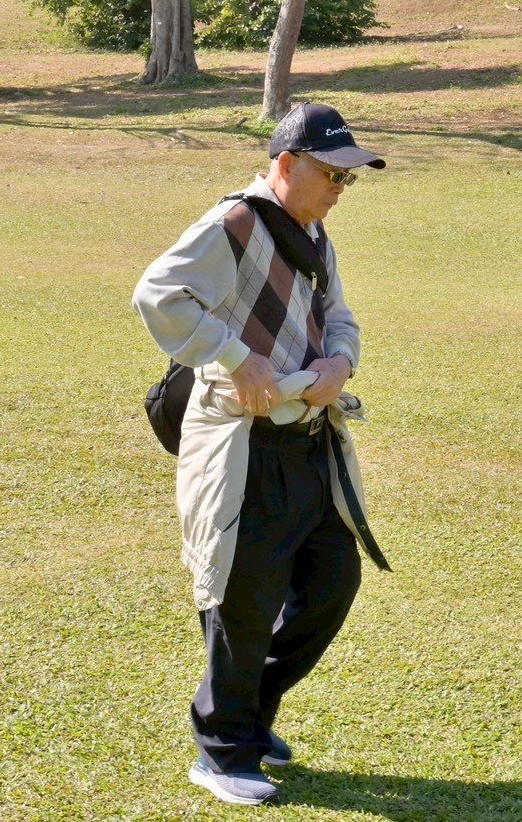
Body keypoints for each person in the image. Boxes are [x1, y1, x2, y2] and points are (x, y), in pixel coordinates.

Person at [133, 103, 387, 806]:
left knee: (331, 583)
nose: (340, 189)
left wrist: (340, 362)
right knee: (242, 600)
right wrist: (234, 357)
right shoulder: (234, 224)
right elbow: (158, 294)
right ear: (285, 164)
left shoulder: (314, 233)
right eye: (332, 174)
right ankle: (222, 751)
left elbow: (338, 317)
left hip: (311, 439)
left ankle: (248, 711)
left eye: (348, 178)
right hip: (243, 443)